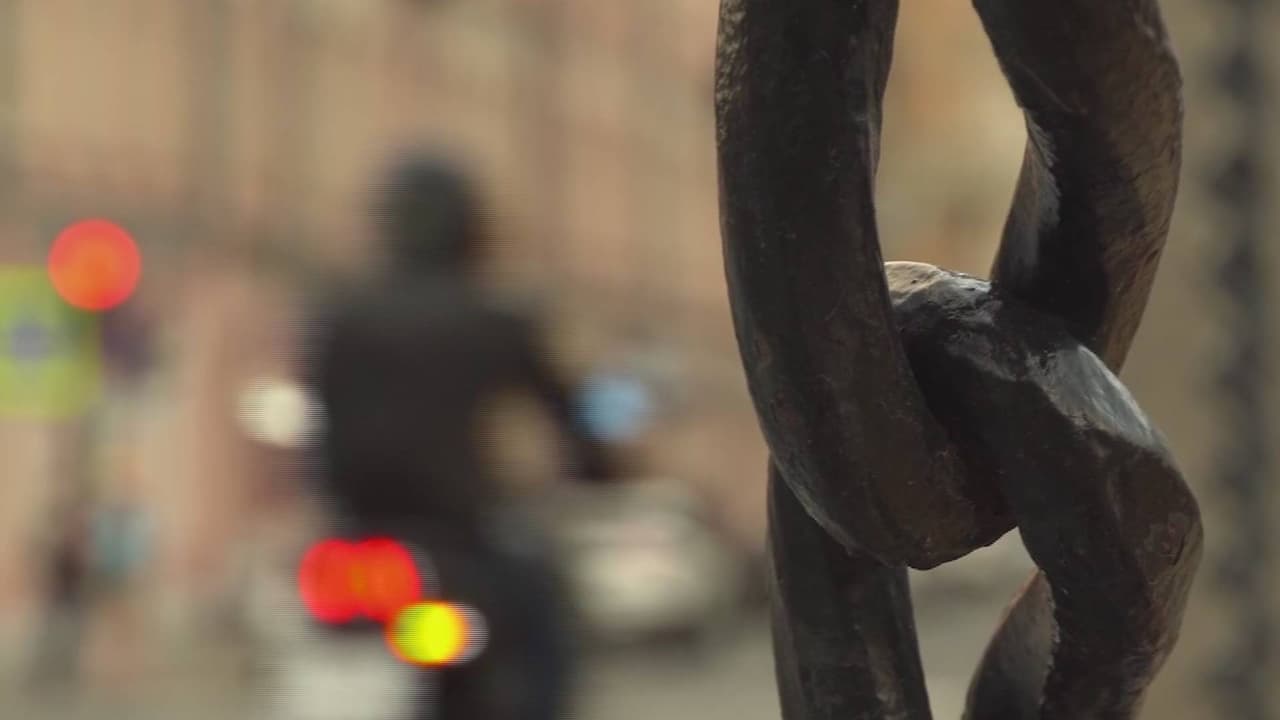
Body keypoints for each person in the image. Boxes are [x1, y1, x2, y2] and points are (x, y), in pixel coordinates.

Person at [299, 149, 617, 720]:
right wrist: (598, 465)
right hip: (461, 534)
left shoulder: (339, 318)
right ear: (469, 227)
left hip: (354, 541)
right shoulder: (496, 319)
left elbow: (317, 423)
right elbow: (567, 416)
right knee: (543, 619)